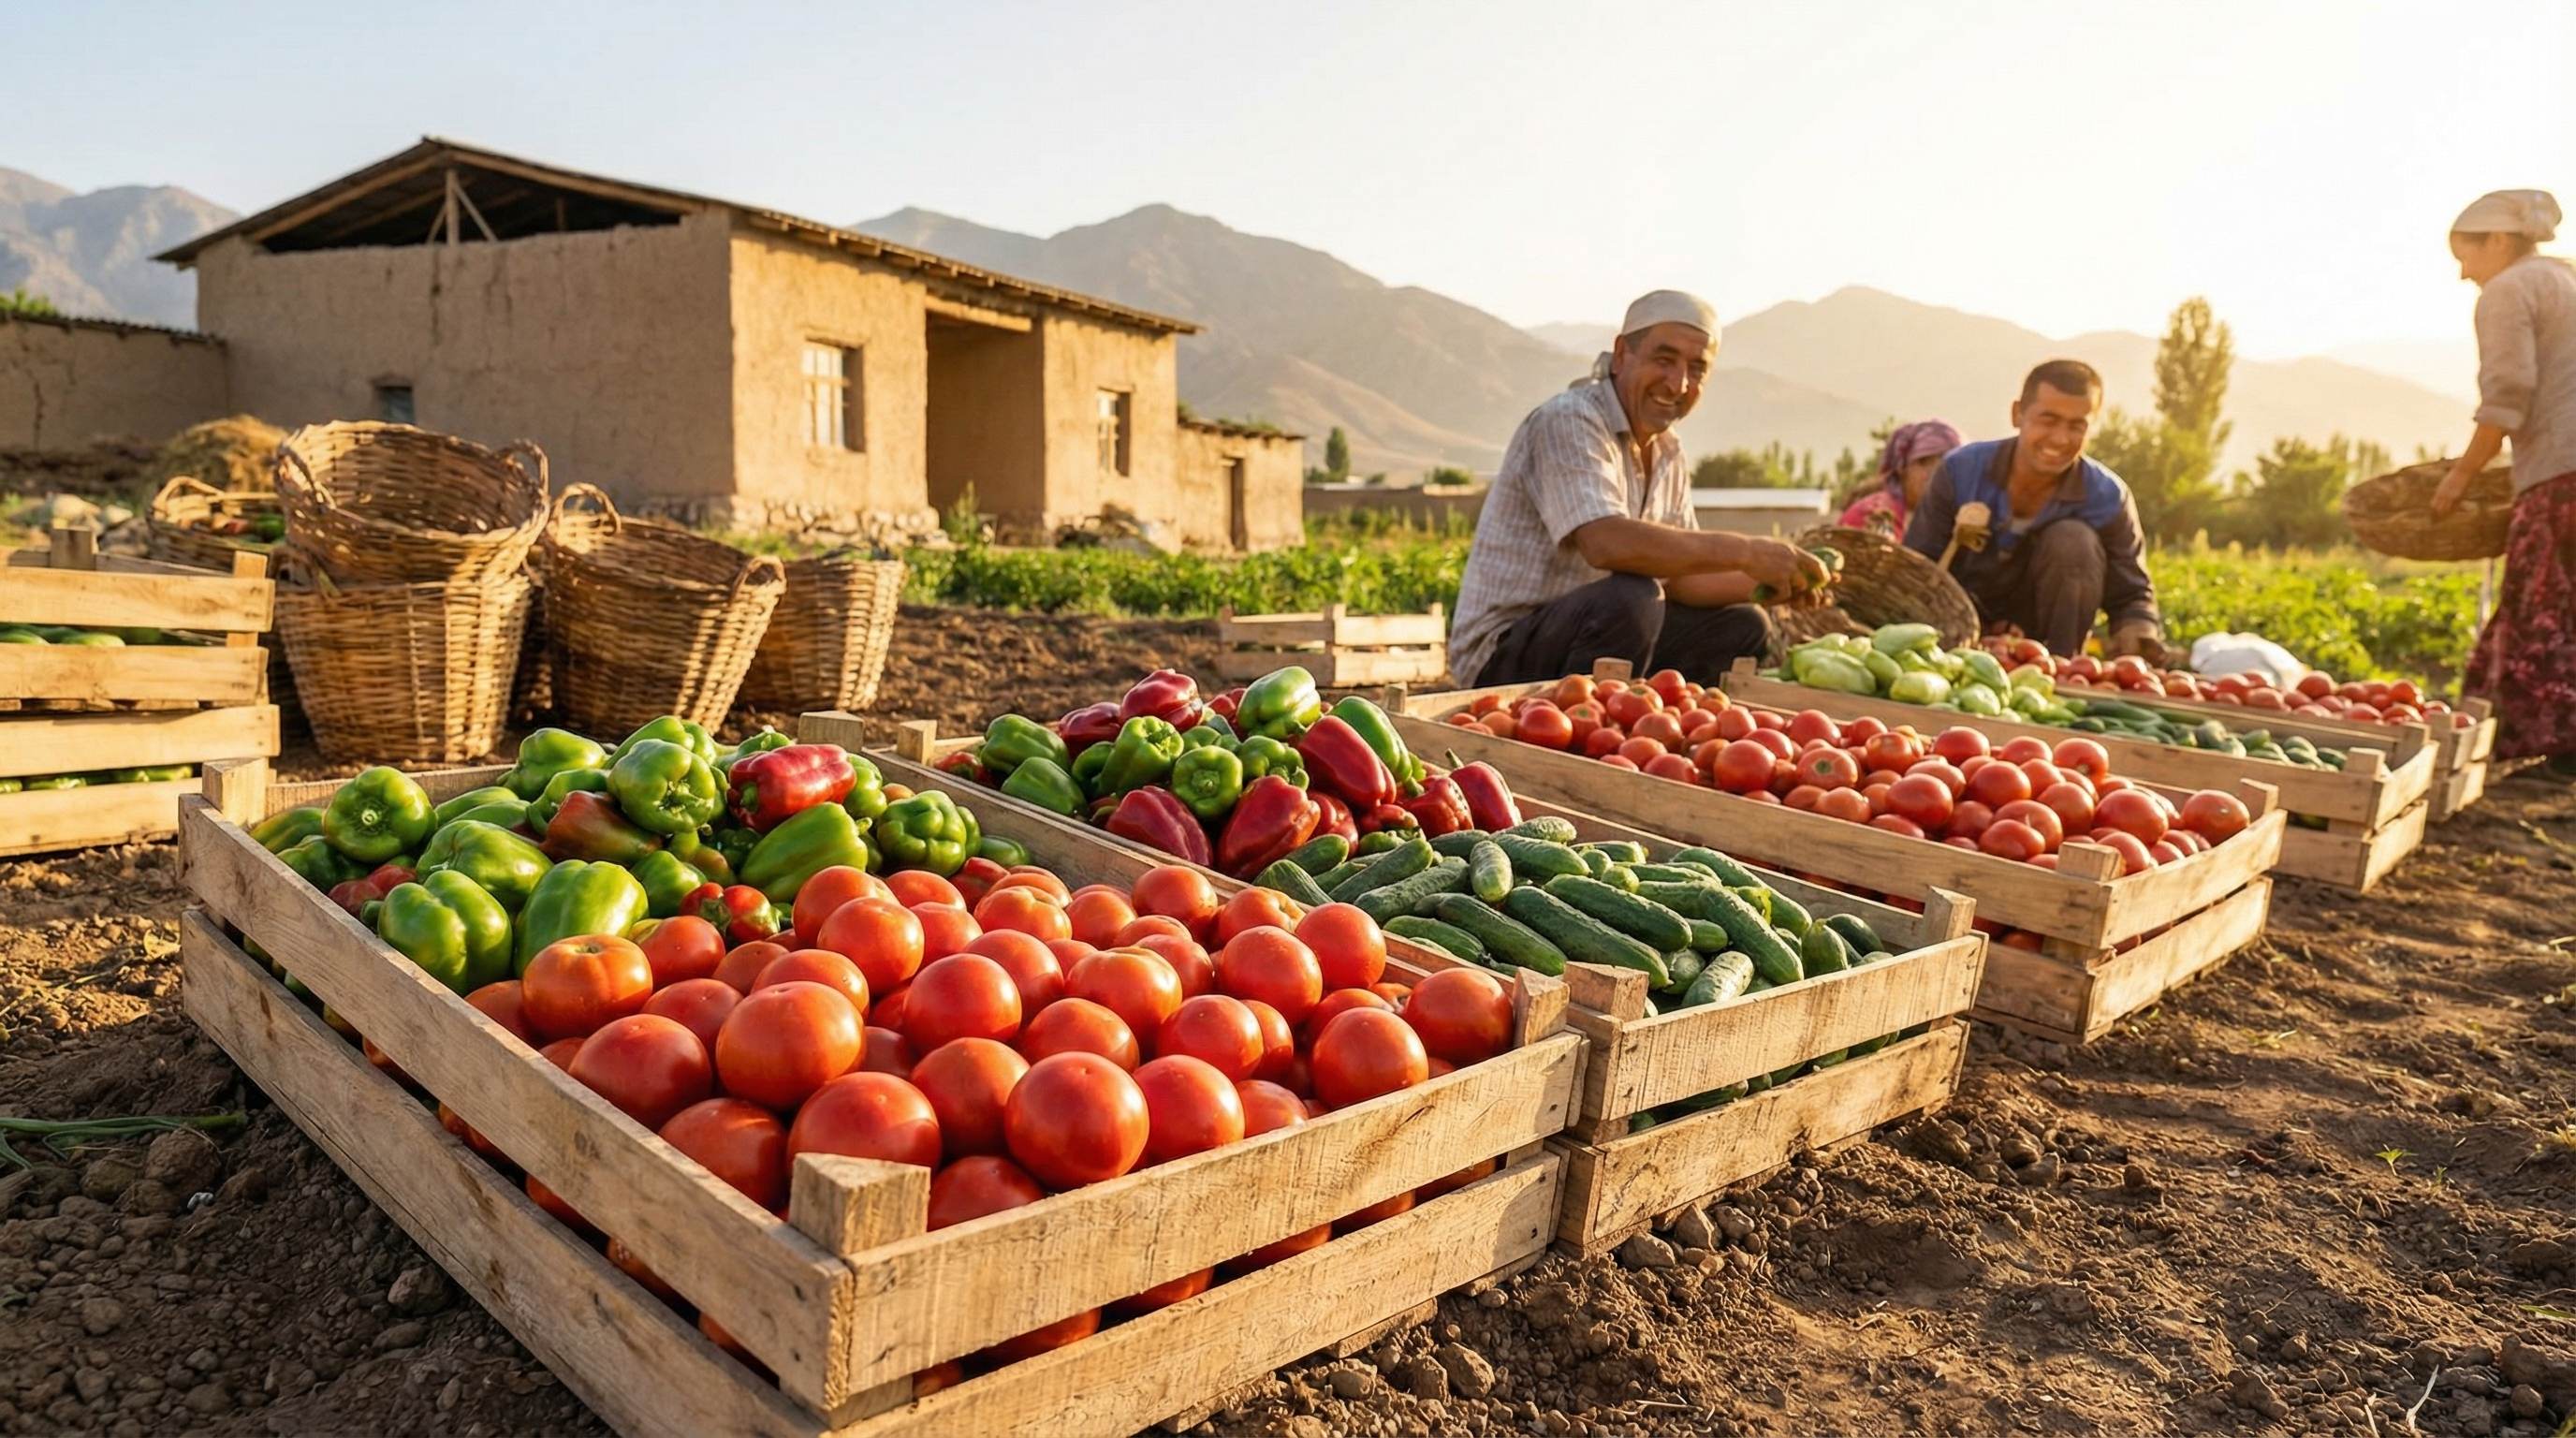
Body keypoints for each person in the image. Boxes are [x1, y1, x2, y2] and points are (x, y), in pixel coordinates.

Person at [1447, 290, 1829, 686]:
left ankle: (1656, 730)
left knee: (1744, 624)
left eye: (1697, 369)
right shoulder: (1570, 421)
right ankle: (1585, 735)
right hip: (1504, 652)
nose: (1678, 383)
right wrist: (1747, 550)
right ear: (1621, 354)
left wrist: (1773, 583)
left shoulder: (1668, 452)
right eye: (1664, 360)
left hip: (1596, 634)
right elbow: (1605, 542)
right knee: (1632, 598)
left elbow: (1683, 581)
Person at [2434, 188, 2576, 770]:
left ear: (2498, 241)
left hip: (2559, 471)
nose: (2465, 274)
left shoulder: (2509, 289)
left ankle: (2552, 748)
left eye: (2465, 256)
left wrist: (2460, 478)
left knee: (2539, 607)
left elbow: (2508, 394)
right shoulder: (2565, 279)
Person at [1902, 360, 2162, 660]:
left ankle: (2061, 668)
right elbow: (1918, 567)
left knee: (2073, 540)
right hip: (1958, 631)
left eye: (2076, 426)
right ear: (2017, 414)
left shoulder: (2106, 496)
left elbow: (2131, 593)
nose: (2060, 438)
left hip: (2043, 640)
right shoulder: (1961, 471)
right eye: (2048, 420)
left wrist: (2139, 632)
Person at [1839, 419, 1963, 535]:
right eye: (1923, 462)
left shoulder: (1948, 523)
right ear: (1902, 467)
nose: (1934, 474)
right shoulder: (1873, 516)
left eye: (1944, 467)